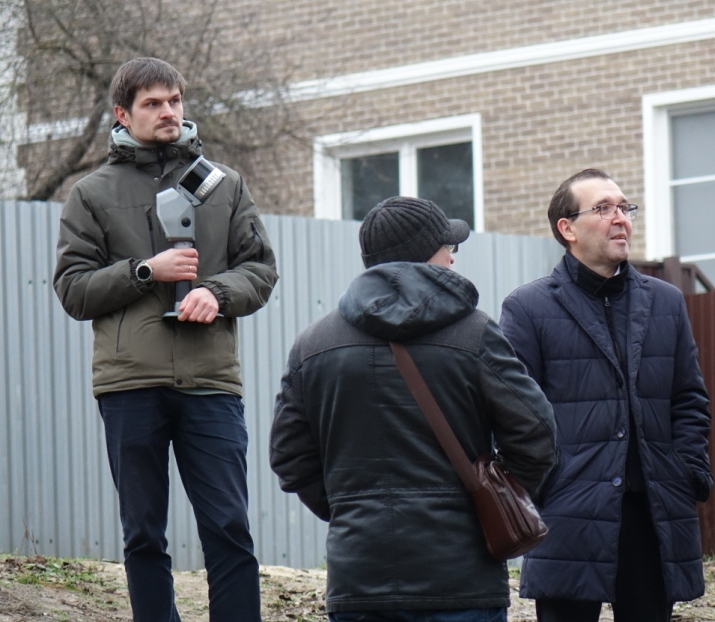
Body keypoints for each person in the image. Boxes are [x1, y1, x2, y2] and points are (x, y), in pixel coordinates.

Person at [53, 57, 278, 621]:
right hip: (130, 385)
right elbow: (73, 290)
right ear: (122, 113)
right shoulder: (91, 193)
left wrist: (217, 293)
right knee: (143, 532)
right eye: (152, 103)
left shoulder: (225, 184)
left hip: (211, 382)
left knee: (229, 527)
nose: (168, 112)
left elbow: (260, 270)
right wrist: (145, 271)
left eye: (174, 100)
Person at [269, 196, 557, 622]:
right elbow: (536, 433)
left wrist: (350, 508)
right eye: (447, 247)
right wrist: (494, 494)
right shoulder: (475, 333)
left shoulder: (312, 345)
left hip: (359, 579)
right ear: (424, 253)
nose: (452, 257)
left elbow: (290, 458)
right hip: (461, 579)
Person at [498, 169, 713, 622]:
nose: (621, 218)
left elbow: (689, 399)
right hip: (568, 514)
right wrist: (548, 486)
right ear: (567, 228)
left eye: (624, 207)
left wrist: (686, 470)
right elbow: (514, 413)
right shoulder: (528, 307)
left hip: (652, 513)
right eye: (603, 208)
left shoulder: (666, 302)